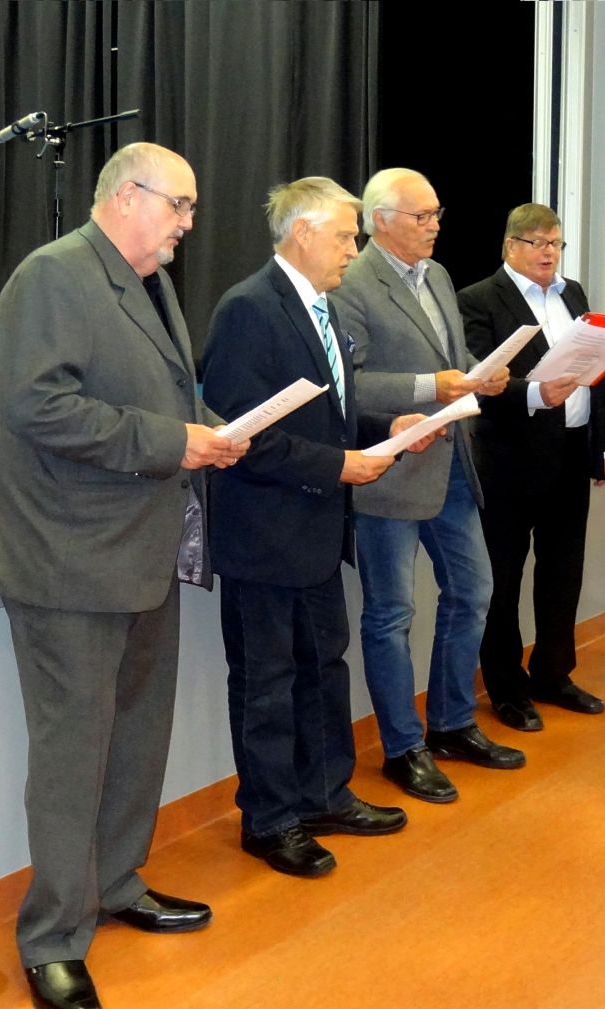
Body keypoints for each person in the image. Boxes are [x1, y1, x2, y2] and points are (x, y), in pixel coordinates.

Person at [0, 143, 248, 1009]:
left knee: (135, 736)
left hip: (139, 552)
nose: (189, 223)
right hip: (67, 563)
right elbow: (38, 407)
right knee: (72, 755)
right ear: (127, 196)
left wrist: (214, 430)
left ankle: (117, 881)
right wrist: (174, 442)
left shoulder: (148, 280)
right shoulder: (52, 277)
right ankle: (53, 937)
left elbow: (164, 397)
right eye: (180, 205)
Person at [201, 177, 436, 878]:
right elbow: (242, 435)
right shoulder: (248, 309)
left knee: (324, 668)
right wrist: (340, 464)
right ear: (301, 233)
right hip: (264, 532)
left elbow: (328, 415)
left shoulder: (323, 307)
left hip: (316, 529)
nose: (353, 249)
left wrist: (384, 427)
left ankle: (326, 795)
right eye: (344, 236)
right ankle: (271, 820)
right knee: (267, 683)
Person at [330, 167, 523, 805]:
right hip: (390, 474)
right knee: (391, 614)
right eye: (422, 216)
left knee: (474, 592)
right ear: (380, 220)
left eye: (437, 213)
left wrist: (480, 375)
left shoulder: (437, 275)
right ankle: (402, 748)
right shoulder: (352, 283)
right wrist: (430, 387)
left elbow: (451, 361)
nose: (435, 225)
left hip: (453, 463)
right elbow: (348, 385)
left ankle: (452, 723)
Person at [457, 203, 605, 733]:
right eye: (538, 243)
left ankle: (553, 673)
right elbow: (479, 379)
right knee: (503, 578)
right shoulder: (478, 299)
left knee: (563, 570)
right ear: (511, 246)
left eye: (556, 243)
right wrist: (533, 393)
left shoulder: (573, 294)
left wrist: (604, 444)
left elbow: (596, 369)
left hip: (571, 451)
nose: (550, 253)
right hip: (508, 460)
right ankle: (506, 687)